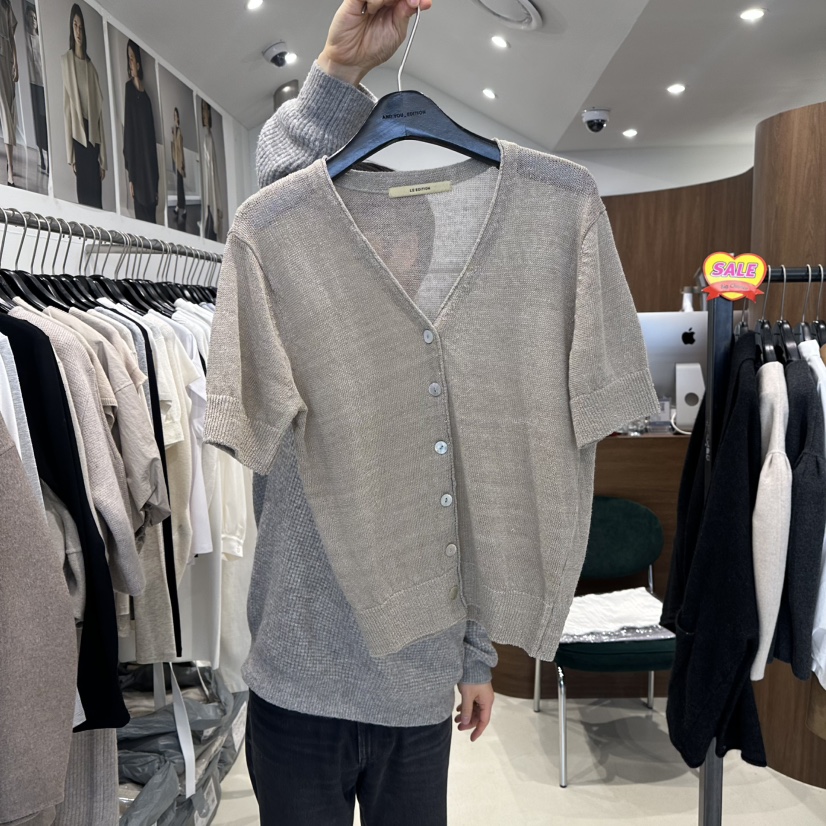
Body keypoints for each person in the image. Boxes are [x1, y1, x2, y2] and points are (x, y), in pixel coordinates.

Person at [246, 2, 496, 825]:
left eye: (405, 237)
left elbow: (472, 519)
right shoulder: (294, 319)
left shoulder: (450, 363)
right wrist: (339, 68)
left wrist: (476, 657)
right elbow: (280, 195)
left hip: (414, 686)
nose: (387, 250)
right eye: (366, 233)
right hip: (296, 683)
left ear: (426, 255)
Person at [61, 3, 107, 209]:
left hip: (93, 139)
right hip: (78, 138)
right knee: (84, 200)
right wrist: (71, 155)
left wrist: (103, 159)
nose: (78, 31)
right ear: (71, 28)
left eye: (81, 27)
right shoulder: (66, 62)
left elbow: (99, 117)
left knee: (96, 199)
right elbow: (67, 112)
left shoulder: (92, 69)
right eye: (75, 25)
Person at [122, 39, 159, 223]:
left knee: (152, 219)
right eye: (128, 58)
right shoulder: (129, 90)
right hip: (137, 168)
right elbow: (128, 133)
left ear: (138, 62)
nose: (130, 62)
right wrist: (131, 177)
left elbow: (151, 141)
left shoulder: (147, 98)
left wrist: (156, 179)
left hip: (150, 169)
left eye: (132, 57)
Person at [24, 6, 48, 175]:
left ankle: (47, 155)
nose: (33, 21)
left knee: (43, 118)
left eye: (35, 18)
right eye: (30, 17)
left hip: (41, 84)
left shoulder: (40, 40)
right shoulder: (25, 39)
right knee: (36, 120)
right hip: (31, 83)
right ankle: (40, 155)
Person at [0, 0, 18, 187]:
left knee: (7, 111)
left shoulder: (6, 5)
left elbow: (12, 38)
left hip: (5, 59)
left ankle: (11, 168)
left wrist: (16, 63)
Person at [200, 100, 221, 241]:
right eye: (203, 112)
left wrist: (218, 203)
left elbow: (214, 170)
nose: (205, 116)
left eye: (207, 112)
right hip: (207, 183)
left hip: (211, 182)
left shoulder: (210, 138)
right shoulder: (205, 138)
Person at [171, 106, 186, 225]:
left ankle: (181, 208)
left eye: (177, 116)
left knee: (180, 187)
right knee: (178, 187)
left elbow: (180, 148)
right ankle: (180, 207)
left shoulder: (179, 131)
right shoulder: (174, 130)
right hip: (176, 161)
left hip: (179, 162)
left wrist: (181, 164)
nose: (176, 118)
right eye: (174, 116)